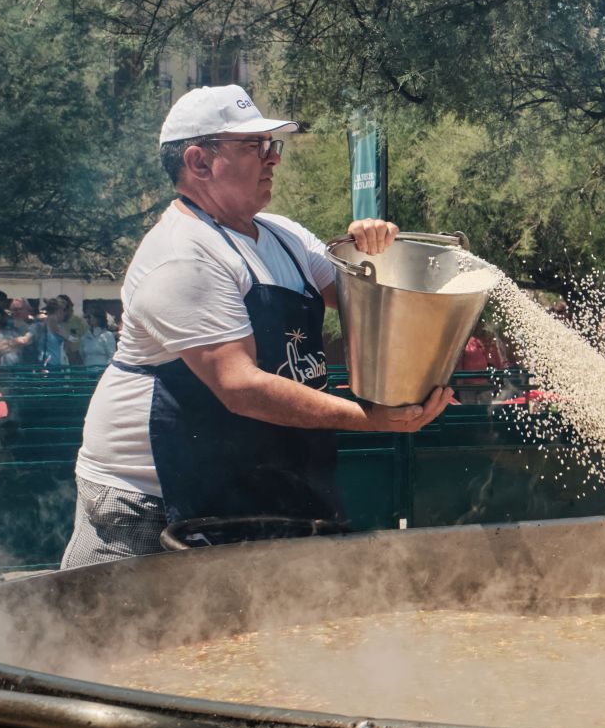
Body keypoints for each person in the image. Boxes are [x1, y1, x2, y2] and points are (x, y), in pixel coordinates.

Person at [62, 84, 451, 569]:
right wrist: (370, 419)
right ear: (199, 162)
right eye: (254, 147)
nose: (273, 159)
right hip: (151, 501)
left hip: (253, 480)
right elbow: (239, 386)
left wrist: (372, 252)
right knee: (125, 638)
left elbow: (370, 311)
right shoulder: (182, 254)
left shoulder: (287, 237)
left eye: (271, 146)